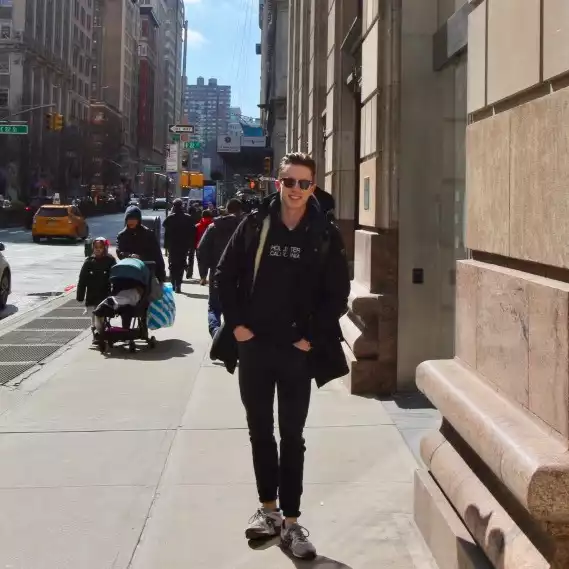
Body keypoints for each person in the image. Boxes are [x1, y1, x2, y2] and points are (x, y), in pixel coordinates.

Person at [215, 152, 350, 560]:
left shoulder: (324, 232)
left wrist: (311, 336)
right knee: (260, 432)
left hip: (296, 352)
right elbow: (224, 274)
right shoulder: (256, 223)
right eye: (289, 182)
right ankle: (269, 512)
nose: (295, 189)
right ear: (278, 183)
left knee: (292, 436)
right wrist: (236, 325)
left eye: (303, 183)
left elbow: (337, 294)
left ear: (313, 187)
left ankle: (292, 524)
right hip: (254, 346)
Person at [197, 198, 243, 337]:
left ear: (227, 210)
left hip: (217, 273)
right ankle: (235, 336)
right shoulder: (246, 227)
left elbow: (201, 250)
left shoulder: (214, 227)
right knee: (238, 308)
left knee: (214, 307)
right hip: (241, 276)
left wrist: (203, 273)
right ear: (240, 211)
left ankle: (216, 332)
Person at [76, 236, 116, 338]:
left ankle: (101, 331)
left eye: (100, 247)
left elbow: (115, 275)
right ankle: (95, 330)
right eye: (96, 247)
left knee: (102, 314)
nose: (98, 249)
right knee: (93, 314)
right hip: (92, 294)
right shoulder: (89, 262)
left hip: (105, 293)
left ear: (105, 248)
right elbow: (82, 280)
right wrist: (80, 296)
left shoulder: (110, 260)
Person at [163, 198, 195, 293]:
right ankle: (178, 284)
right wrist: (190, 244)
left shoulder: (170, 218)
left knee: (173, 264)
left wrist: (166, 246)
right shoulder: (188, 218)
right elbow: (192, 232)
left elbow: (166, 232)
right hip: (183, 245)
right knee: (181, 264)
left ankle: (173, 282)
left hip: (173, 245)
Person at [195, 210, 214, 284]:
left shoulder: (197, 226)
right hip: (212, 247)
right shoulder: (214, 225)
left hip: (199, 246)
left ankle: (203, 278)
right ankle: (211, 278)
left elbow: (194, 237)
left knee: (201, 263)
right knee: (212, 263)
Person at [185, 206, 200, 280]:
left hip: (188, 240)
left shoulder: (187, 218)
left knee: (189, 257)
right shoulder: (198, 218)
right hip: (196, 240)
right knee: (197, 258)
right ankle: (201, 275)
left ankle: (189, 272)